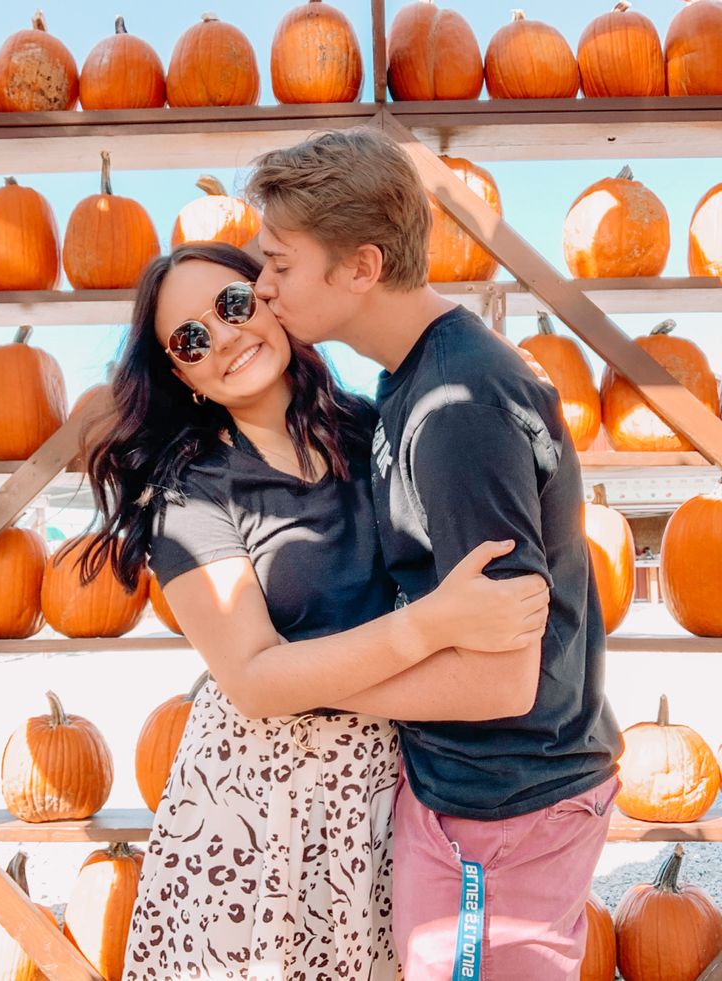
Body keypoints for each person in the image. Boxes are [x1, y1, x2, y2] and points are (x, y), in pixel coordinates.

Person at [81, 242, 549, 981]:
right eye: (191, 338)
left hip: (383, 785)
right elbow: (256, 679)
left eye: (233, 304)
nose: (226, 336)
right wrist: (431, 625)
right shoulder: (191, 492)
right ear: (182, 374)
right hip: (253, 803)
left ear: (269, 295)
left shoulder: (377, 430)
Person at [246, 130, 624, 981]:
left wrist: (305, 686)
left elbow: (501, 679)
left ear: (362, 268)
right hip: (465, 793)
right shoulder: (417, 376)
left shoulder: (456, 407)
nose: (261, 289)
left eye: (279, 264)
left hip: (507, 806)